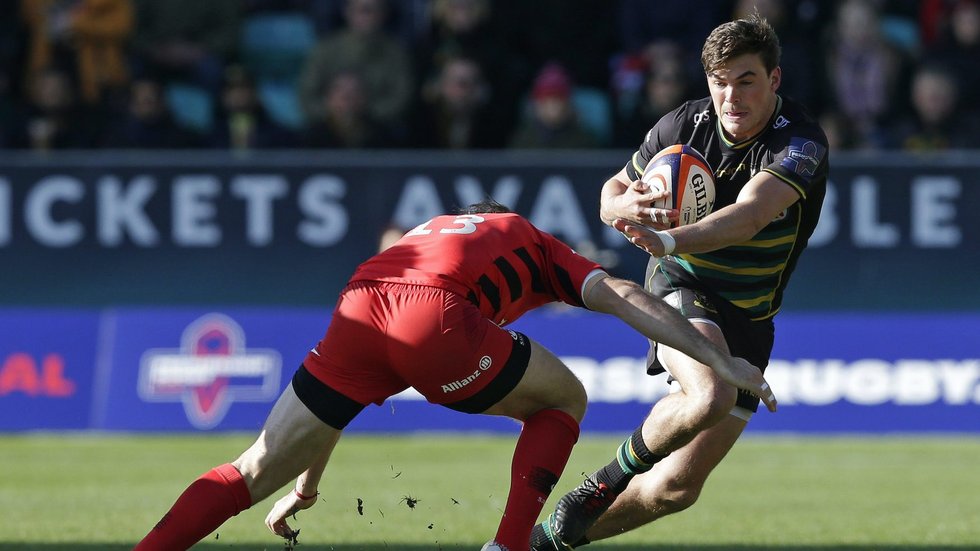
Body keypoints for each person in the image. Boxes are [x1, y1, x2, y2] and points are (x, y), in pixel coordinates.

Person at [134, 199, 776, 551]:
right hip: (434, 315)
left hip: (361, 298)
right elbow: (627, 297)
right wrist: (718, 359)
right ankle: (510, 546)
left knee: (249, 469)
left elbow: (337, 411)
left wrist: (305, 487)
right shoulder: (530, 237)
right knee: (565, 398)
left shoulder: (429, 230)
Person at [532, 11, 827, 550]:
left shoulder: (801, 144)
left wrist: (669, 236)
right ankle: (601, 483)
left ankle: (544, 542)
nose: (731, 97)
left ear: (774, 79)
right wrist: (627, 207)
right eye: (720, 83)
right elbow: (610, 194)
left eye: (746, 81)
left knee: (675, 488)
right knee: (710, 392)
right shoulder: (682, 126)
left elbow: (749, 217)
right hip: (683, 286)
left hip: (751, 317)